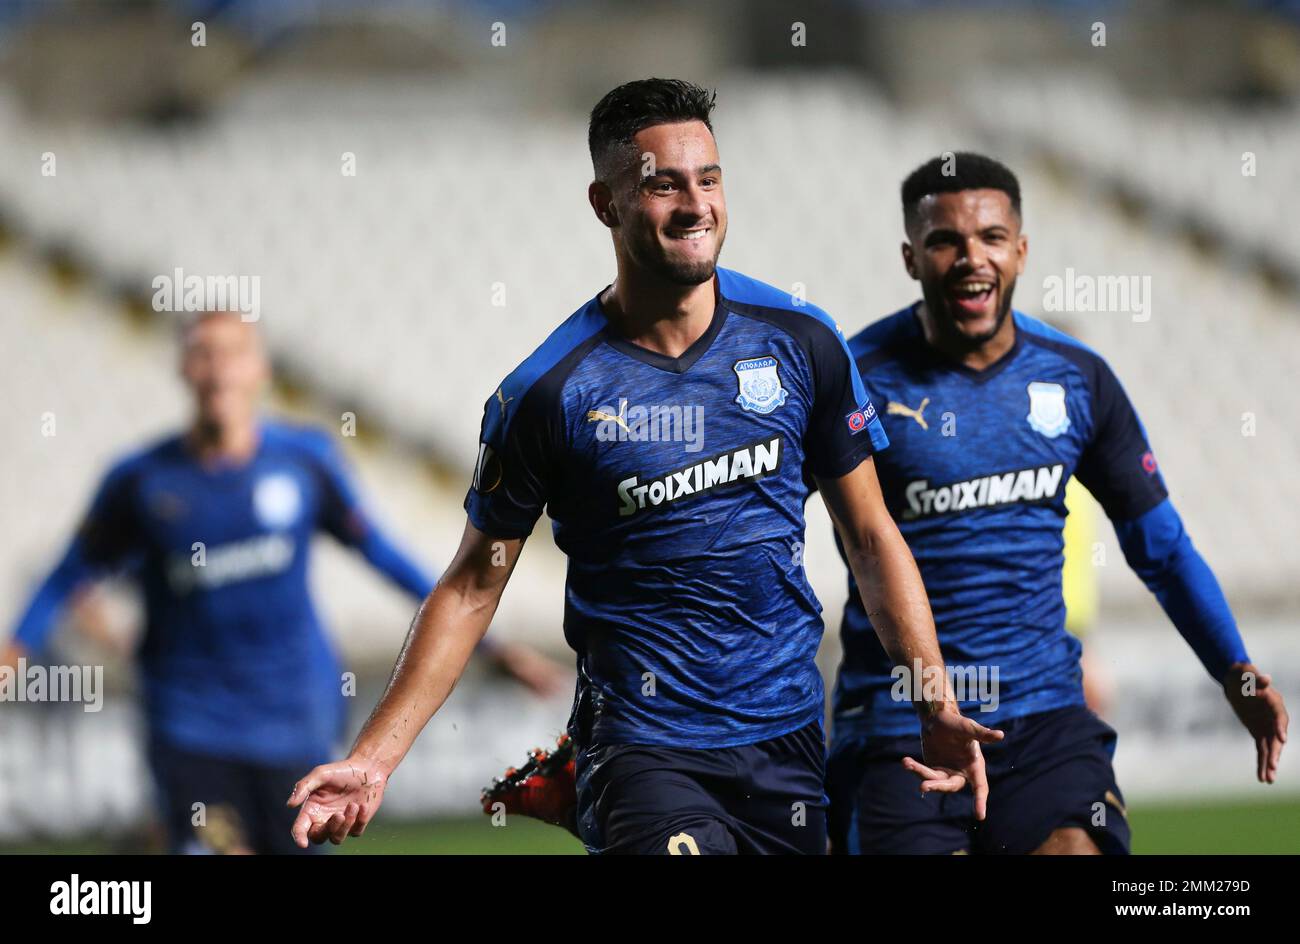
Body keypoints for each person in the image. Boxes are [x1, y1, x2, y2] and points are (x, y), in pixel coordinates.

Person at [288, 78, 1001, 855]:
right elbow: (471, 584)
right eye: (663, 184)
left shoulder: (803, 343)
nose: (696, 204)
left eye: (709, 178)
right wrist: (372, 759)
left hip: (790, 737)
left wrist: (932, 696)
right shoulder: (548, 394)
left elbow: (869, 536)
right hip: (643, 745)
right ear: (606, 204)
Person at [825, 152, 1288, 855]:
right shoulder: (855, 380)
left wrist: (1234, 667)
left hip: (1041, 718)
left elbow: (1159, 547)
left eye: (990, 237)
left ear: (1021, 250)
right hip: (901, 724)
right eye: (944, 240)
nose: (969, 258)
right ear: (910, 257)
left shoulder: (1077, 378)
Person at [2, 310, 567, 854]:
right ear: (184, 369)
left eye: (234, 353)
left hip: (296, 717)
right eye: (204, 354)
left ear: (260, 369)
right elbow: (66, 575)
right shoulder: (141, 482)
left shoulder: (305, 462)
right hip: (190, 726)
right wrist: (15, 651)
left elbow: (386, 557)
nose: (219, 368)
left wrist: (487, 644)